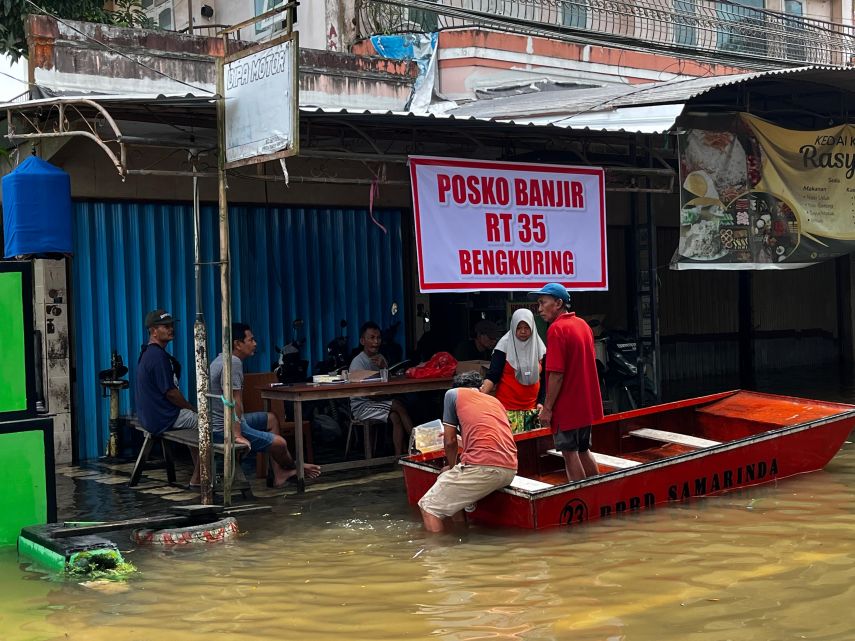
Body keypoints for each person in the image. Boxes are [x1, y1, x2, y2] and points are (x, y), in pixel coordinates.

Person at [210, 322, 320, 488]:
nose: (255, 344)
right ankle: (296, 466)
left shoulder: (220, 359)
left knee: (271, 419)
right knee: (280, 443)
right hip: (224, 428)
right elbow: (234, 401)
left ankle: (280, 475)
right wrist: (238, 434)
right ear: (237, 344)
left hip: (225, 422)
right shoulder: (233, 363)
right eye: (251, 340)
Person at [418, 371, 518, 533]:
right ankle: (461, 532)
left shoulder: (452, 394)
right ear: (479, 388)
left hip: (483, 468)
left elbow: (449, 441)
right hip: (509, 469)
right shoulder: (495, 401)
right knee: (446, 478)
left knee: (428, 507)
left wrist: (452, 466)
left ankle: (437, 554)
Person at [530, 283, 604, 482]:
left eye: (543, 303)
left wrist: (547, 408)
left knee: (569, 454)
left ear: (559, 303)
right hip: (584, 404)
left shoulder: (556, 329)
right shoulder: (582, 325)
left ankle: (582, 498)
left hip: (567, 406)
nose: (539, 309)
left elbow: (556, 374)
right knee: (583, 450)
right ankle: (598, 491)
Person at [134, 309, 200, 487]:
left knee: (195, 422)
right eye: (165, 326)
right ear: (153, 330)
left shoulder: (148, 352)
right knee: (204, 422)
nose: (171, 329)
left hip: (150, 416)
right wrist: (190, 407)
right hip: (162, 417)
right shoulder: (157, 357)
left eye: (171, 326)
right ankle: (200, 476)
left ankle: (200, 473)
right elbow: (170, 392)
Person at [349, 321, 414, 456]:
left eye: (378, 338)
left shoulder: (380, 358)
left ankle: (399, 455)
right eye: (371, 338)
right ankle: (417, 444)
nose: (376, 341)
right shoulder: (358, 362)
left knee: (396, 416)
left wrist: (384, 367)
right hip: (362, 406)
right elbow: (366, 392)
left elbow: (387, 382)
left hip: (376, 401)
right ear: (362, 341)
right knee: (398, 405)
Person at [479, 308, 546, 433]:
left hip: (533, 411)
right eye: (519, 328)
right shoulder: (503, 348)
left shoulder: (540, 349)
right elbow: (493, 376)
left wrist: (542, 402)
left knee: (531, 449)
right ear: (513, 326)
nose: (523, 332)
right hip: (507, 410)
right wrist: (479, 397)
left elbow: (546, 379)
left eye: (527, 328)